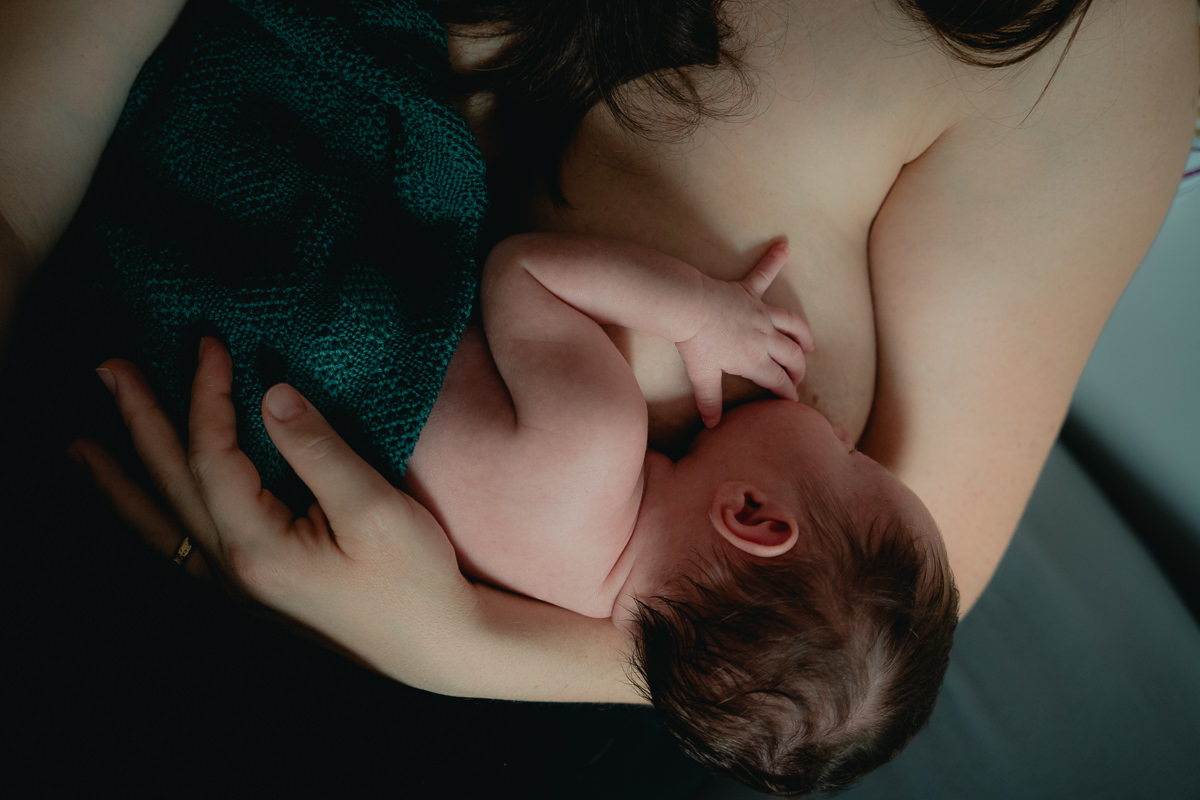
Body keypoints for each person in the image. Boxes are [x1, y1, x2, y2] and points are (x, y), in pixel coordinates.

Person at [3, 0, 1195, 796]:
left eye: (840, 446)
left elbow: (917, 591)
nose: (837, 432)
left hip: (418, 674)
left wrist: (463, 646)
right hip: (164, 456)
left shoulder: (1107, 40)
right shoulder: (644, 556)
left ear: (756, 520)